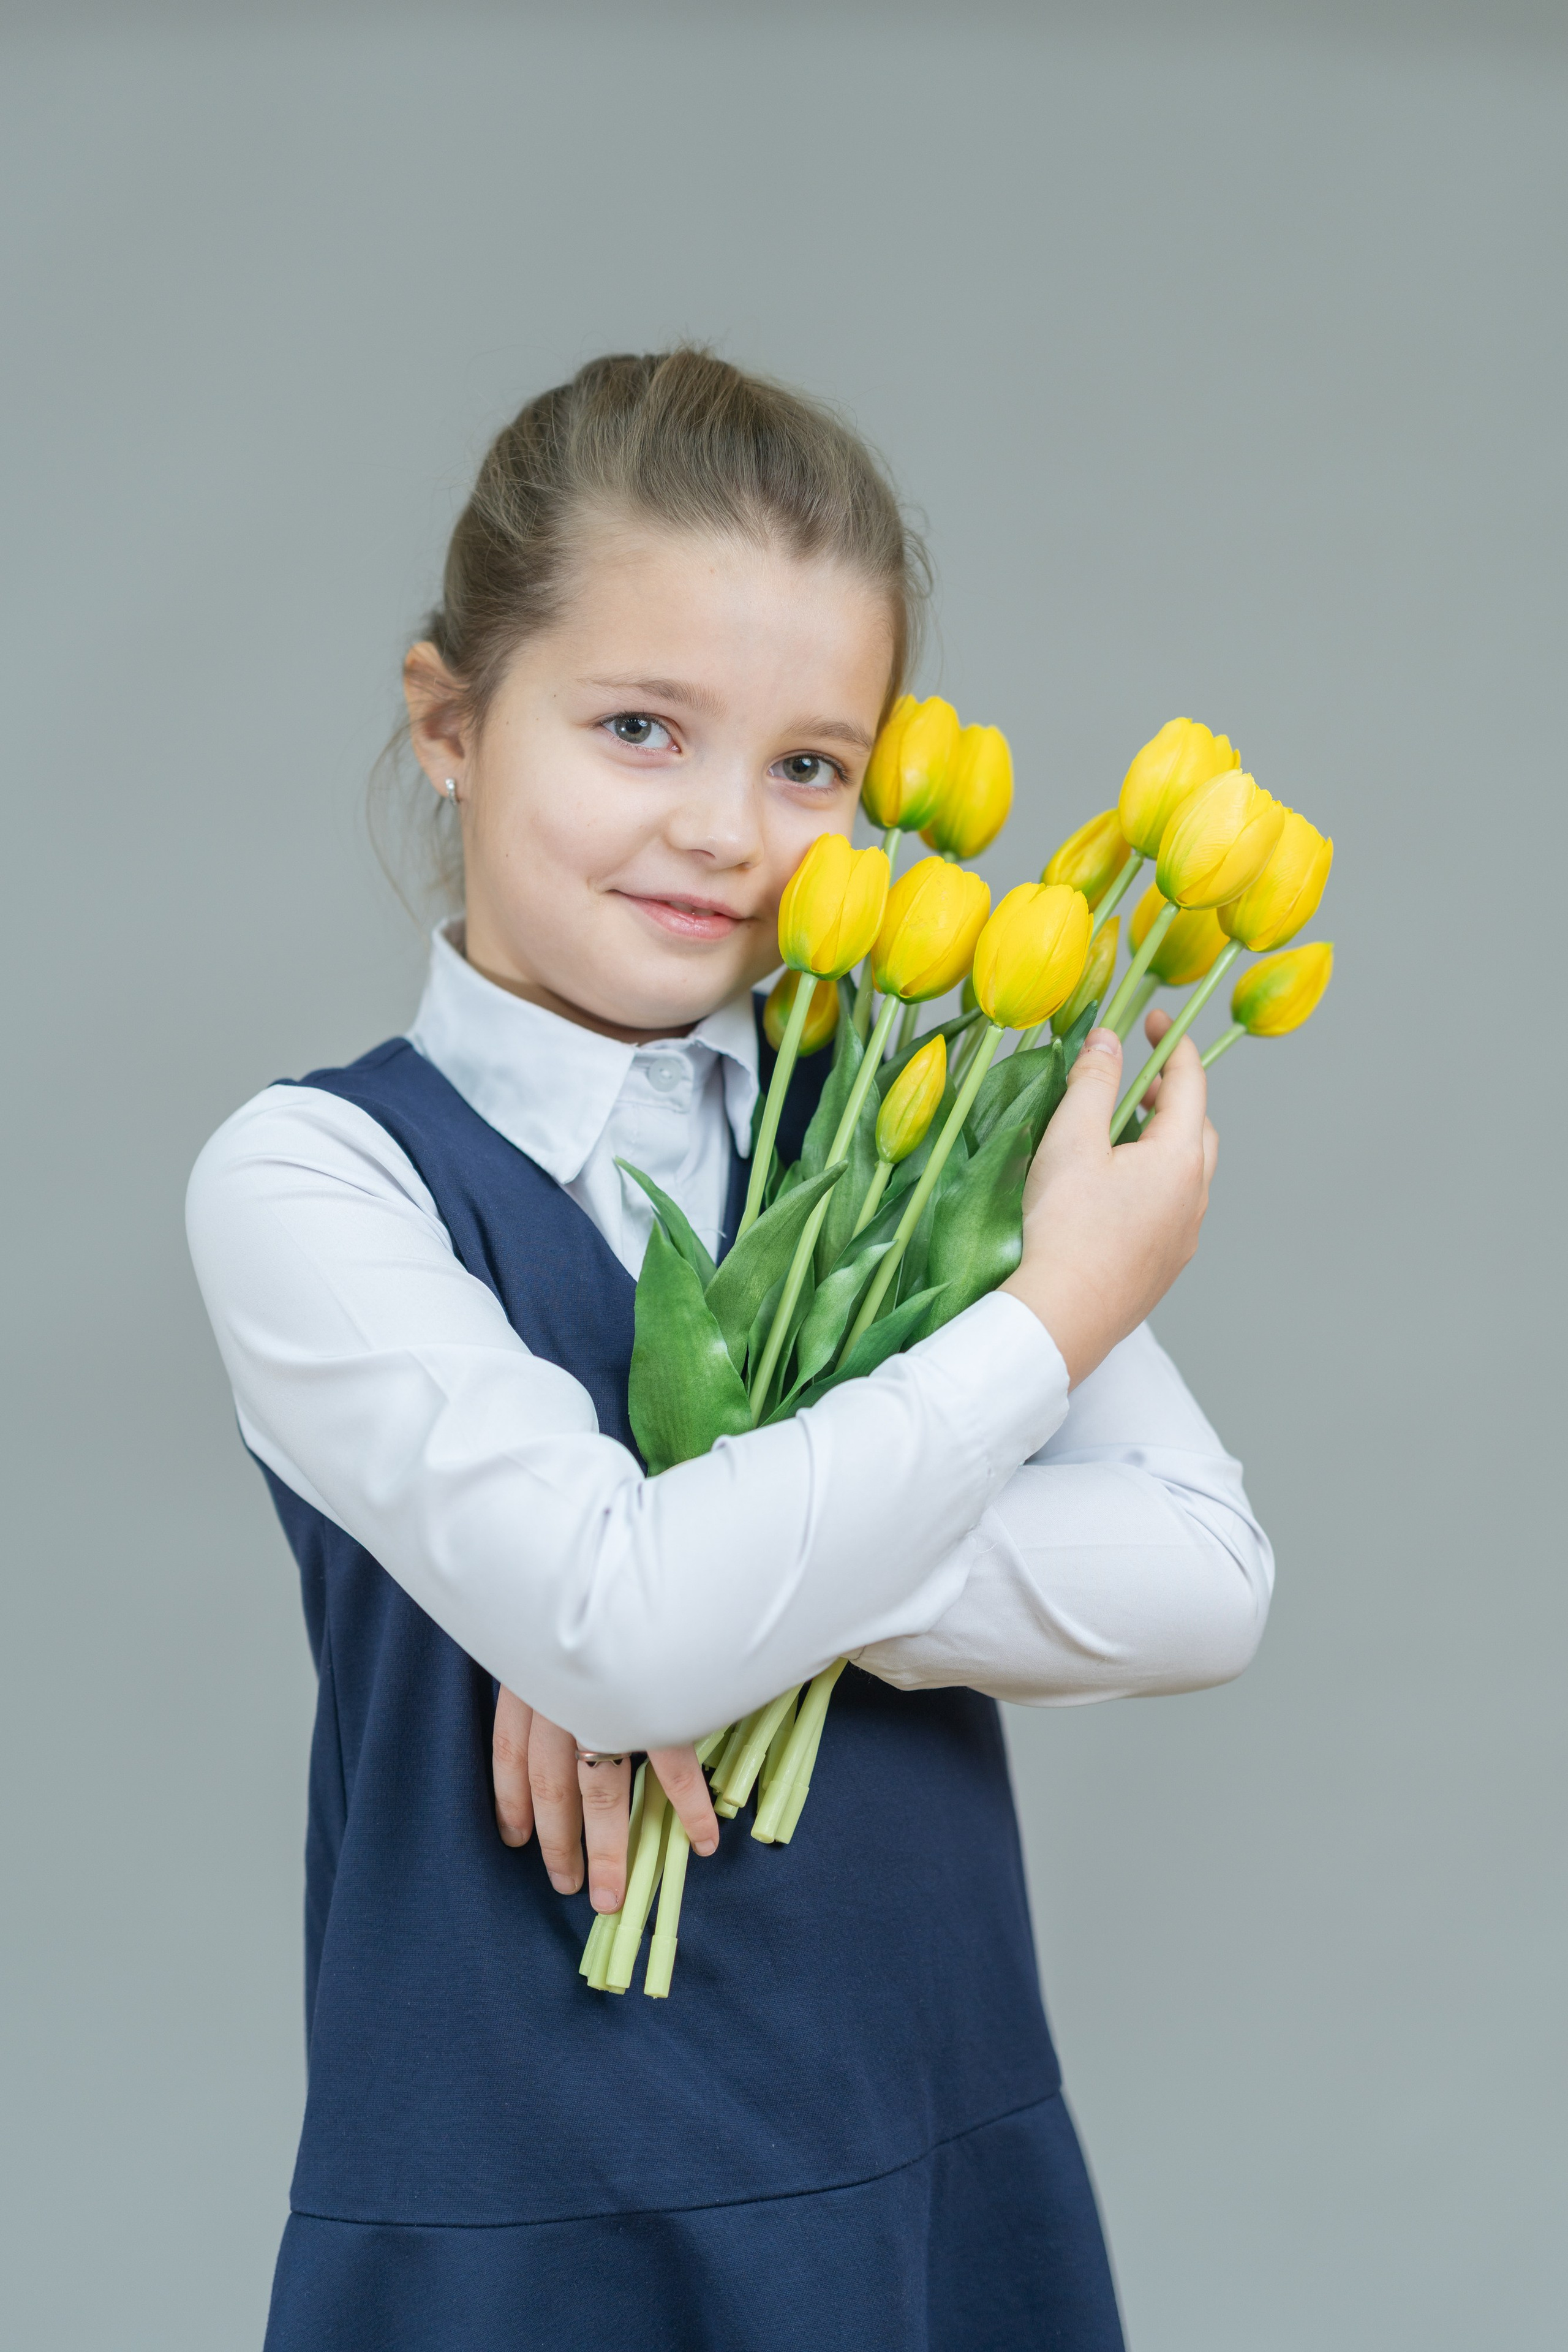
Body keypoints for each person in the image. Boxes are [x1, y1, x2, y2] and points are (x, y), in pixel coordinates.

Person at [186, 349, 1272, 2351]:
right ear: (449, 720)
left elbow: (1207, 1584)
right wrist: (1049, 1321)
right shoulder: (318, 1180)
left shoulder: (909, 1118)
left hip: (932, 2143)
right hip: (526, 2200)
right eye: (634, 727)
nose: (718, 831)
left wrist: (714, 1585)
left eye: (808, 769)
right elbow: (622, 1626)